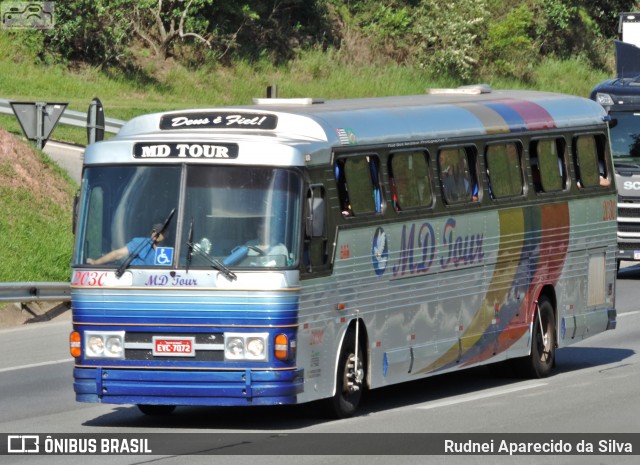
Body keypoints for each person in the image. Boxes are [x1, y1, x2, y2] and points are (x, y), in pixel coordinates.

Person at [86, 223, 169, 266]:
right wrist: (95, 262)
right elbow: (117, 254)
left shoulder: (170, 252)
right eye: (154, 231)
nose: (156, 234)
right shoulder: (141, 243)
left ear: (165, 236)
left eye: (160, 233)